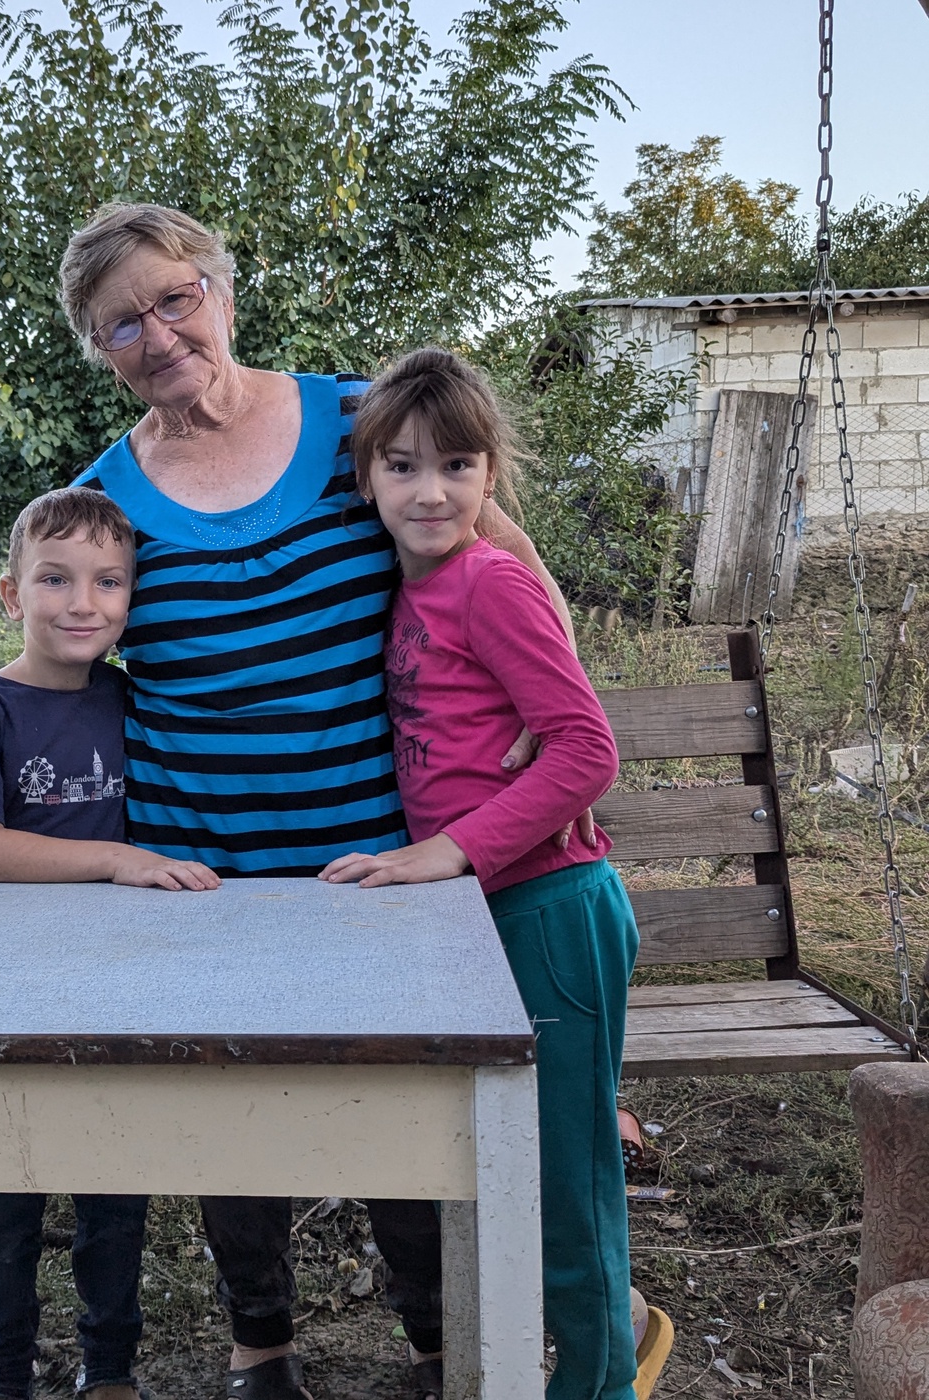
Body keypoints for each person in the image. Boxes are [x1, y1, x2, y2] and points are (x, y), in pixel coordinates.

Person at [0, 201, 591, 1400]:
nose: (157, 332)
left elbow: (497, 554)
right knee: (230, 1116)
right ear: (98, 349)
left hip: (374, 855)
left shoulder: (362, 424)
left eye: (172, 297)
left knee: (401, 1107)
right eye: (118, 323)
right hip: (202, 861)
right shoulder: (109, 496)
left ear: (222, 289)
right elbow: (54, 668)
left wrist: (551, 738)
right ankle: (259, 1346)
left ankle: (439, 1342)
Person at [319, 347, 647, 1400]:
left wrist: (449, 848)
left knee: (566, 1181)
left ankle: (597, 1380)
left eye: (456, 465)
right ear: (364, 476)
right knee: (513, 1166)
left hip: (551, 908)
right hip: (489, 916)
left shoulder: (490, 581)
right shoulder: (413, 583)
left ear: (490, 476)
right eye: (402, 466)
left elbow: (586, 750)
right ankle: (590, 1343)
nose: (429, 490)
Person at [0, 486, 220, 1400]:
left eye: (108, 583)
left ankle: (109, 1369)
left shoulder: (130, 699)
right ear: (11, 595)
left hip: (117, 988)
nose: (83, 603)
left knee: (116, 1196)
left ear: (131, 600)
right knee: (5, 1200)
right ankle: (2, 1374)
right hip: (3, 994)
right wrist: (118, 858)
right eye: (56, 579)